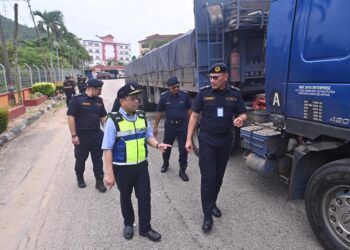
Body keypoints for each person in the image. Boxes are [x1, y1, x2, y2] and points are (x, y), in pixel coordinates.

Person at [102, 82, 171, 242]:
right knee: (125, 196)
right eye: (132, 99)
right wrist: (109, 174)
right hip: (122, 168)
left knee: (145, 197)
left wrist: (157, 144)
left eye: (137, 98)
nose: (136, 102)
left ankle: (145, 228)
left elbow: (148, 136)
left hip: (141, 167)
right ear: (122, 101)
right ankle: (128, 223)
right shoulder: (113, 120)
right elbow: (107, 148)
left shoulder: (141, 116)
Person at [185, 63, 247, 233]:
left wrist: (241, 118)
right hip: (207, 141)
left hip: (225, 141)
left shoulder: (234, 94)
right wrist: (188, 139)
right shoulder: (204, 94)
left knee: (218, 177)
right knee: (208, 178)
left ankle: (212, 203)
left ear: (225, 77)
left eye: (215, 77)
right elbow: (194, 116)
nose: (211, 80)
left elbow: (243, 113)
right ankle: (207, 216)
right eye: (210, 77)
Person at [67, 78, 107, 193]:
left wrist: (109, 132)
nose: (101, 92)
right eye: (99, 90)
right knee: (80, 159)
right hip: (82, 136)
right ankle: (80, 177)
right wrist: (74, 135)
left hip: (96, 135)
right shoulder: (77, 100)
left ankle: (99, 182)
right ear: (92, 89)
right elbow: (71, 117)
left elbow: (103, 117)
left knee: (98, 160)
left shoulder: (99, 100)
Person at [153, 76, 192, 181]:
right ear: (168, 87)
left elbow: (189, 112)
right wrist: (155, 127)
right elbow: (159, 113)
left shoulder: (184, 96)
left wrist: (191, 127)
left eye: (178, 86)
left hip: (182, 125)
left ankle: (182, 170)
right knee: (167, 147)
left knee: (183, 149)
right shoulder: (164, 97)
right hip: (170, 125)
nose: (176, 89)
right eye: (174, 87)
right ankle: (165, 163)